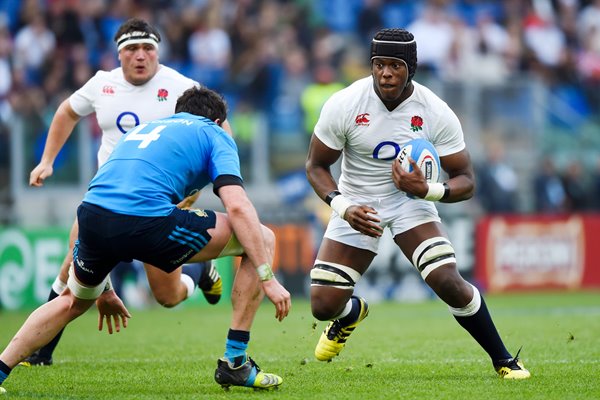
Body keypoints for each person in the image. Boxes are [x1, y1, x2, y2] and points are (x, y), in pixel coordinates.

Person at [0, 86, 292, 393]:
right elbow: (237, 205)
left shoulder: (143, 130)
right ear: (219, 121)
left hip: (92, 217)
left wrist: (104, 287)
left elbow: (106, 199)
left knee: (71, 301)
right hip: (146, 221)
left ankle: (2, 367)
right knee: (262, 237)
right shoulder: (214, 133)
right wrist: (267, 277)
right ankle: (235, 362)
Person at [305, 28, 530, 380]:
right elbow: (316, 165)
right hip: (356, 204)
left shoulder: (434, 111)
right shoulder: (345, 103)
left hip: (411, 202)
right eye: (379, 64)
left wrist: (428, 190)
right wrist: (343, 206)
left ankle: (503, 360)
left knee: (447, 280)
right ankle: (349, 315)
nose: (385, 73)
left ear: (411, 68)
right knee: (322, 305)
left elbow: (466, 180)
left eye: (395, 65)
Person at [24, 18, 223, 367]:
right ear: (119, 55)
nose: (141, 55)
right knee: (69, 267)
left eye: (148, 48)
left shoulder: (181, 86)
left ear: (158, 52)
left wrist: (199, 186)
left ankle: (199, 274)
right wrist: (47, 161)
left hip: (160, 204)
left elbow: (219, 133)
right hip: (107, 196)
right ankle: (40, 354)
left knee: (168, 296)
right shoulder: (103, 85)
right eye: (132, 49)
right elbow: (66, 112)